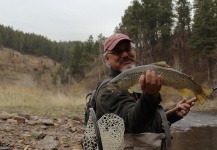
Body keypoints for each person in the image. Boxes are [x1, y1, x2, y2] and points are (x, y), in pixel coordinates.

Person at [94, 33, 194, 149]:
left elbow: (148, 124)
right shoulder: (109, 90)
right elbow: (135, 125)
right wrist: (150, 97)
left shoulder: (135, 84)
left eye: (128, 49)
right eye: (117, 52)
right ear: (107, 59)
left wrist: (173, 114)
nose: (125, 54)